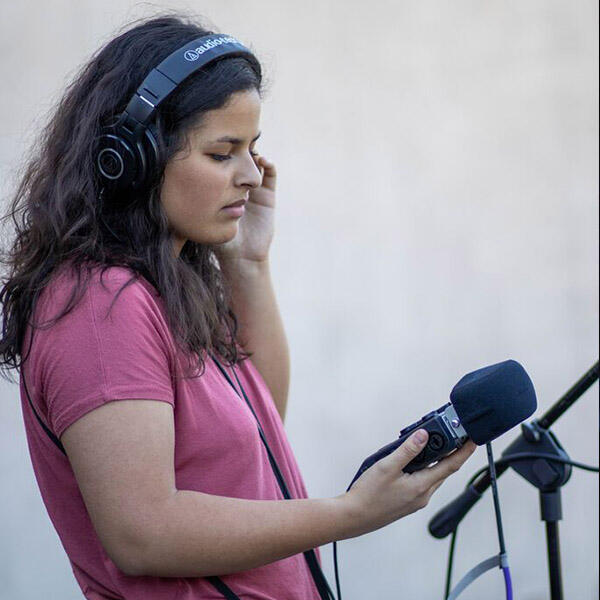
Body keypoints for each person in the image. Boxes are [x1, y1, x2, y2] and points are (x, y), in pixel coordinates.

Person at [0, 13, 476, 600]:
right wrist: (351, 514)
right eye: (223, 152)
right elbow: (142, 532)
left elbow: (257, 426)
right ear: (130, 160)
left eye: (252, 149)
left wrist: (248, 264)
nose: (251, 175)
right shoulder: (101, 309)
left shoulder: (164, 285)